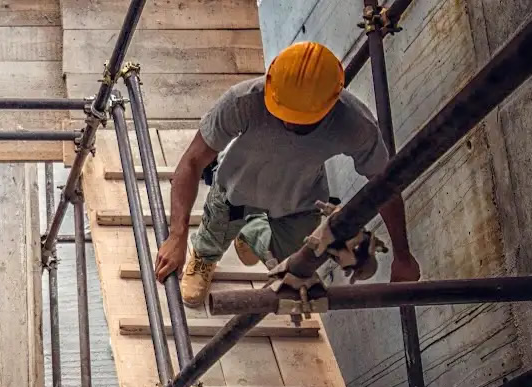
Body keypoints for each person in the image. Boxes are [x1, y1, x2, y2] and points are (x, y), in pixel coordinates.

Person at [155, 41, 421, 307]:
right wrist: (177, 236)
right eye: (283, 112)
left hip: (298, 202)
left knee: (293, 266)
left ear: (330, 103)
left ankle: (251, 233)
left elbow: (383, 185)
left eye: (301, 119)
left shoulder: (353, 124)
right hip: (236, 191)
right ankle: (205, 257)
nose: (288, 122)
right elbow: (191, 161)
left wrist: (403, 255)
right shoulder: (243, 101)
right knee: (214, 233)